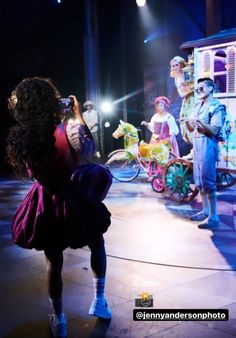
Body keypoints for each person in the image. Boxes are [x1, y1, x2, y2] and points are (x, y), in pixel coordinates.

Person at [6, 77, 112, 338]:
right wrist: (77, 117)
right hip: (75, 197)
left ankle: (59, 319)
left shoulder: (23, 139)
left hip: (44, 202)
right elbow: (90, 150)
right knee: (96, 243)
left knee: (54, 261)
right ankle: (99, 301)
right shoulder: (69, 130)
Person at [185, 78, 225, 229]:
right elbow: (190, 129)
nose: (198, 91)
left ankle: (213, 217)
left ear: (211, 88)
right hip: (197, 144)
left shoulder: (216, 107)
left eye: (202, 88)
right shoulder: (197, 105)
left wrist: (199, 122)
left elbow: (214, 130)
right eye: (197, 89)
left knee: (208, 179)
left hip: (208, 144)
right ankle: (205, 210)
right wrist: (187, 122)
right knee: (199, 180)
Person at [170, 56, 194, 149]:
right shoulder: (176, 77)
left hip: (191, 98)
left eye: (177, 65)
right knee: (183, 120)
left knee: (190, 119)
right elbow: (181, 92)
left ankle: (194, 147)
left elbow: (191, 86)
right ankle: (192, 146)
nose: (175, 67)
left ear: (181, 65)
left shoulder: (186, 73)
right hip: (185, 99)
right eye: (173, 66)